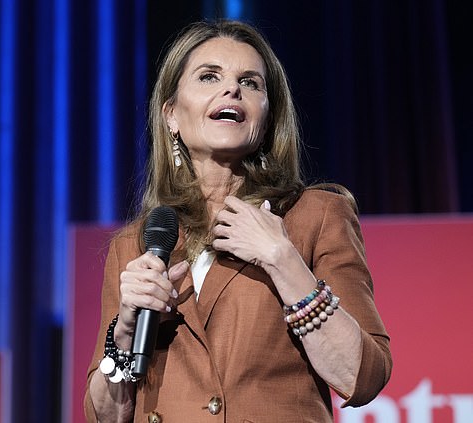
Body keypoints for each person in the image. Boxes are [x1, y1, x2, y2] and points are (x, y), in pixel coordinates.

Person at [84, 20, 392, 422]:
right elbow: (106, 416)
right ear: (172, 115)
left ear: (265, 118)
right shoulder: (137, 243)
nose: (232, 89)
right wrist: (124, 330)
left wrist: (283, 260)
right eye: (209, 76)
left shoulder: (315, 215)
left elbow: (363, 376)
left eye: (251, 83)